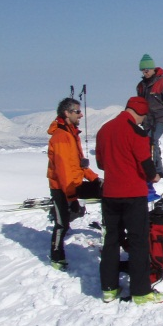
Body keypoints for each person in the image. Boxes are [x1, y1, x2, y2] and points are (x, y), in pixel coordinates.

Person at [94, 96, 163, 304]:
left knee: (111, 241)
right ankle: (141, 291)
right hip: (133, 194)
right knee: (138, 242)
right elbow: (146, 166)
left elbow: (100, 163)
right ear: (141, 113)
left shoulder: (104, 129)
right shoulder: (137, 133)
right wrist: (154, 176)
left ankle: (109, 288)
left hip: (109, 194)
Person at [45, 97, 103, 270]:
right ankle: (57, 257)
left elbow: (77, 164)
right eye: (77, 111)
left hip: (74, 184)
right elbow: (63, 171)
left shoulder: (71, 133)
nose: (81, 115)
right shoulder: (61, 137)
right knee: (62, 224)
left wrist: (94, 178)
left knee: (107, 190)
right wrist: (71, 198)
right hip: (62, 187)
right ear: (66, 113)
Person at [135, 54, 163, 179]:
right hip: (147, 121)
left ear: (153, 68)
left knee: (151, 141)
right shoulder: (141, 85)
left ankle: (155, 172)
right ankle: (159, 171)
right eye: (142, 71)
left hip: (161, 118)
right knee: (150, 143)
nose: (145, 73)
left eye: (146, 70)